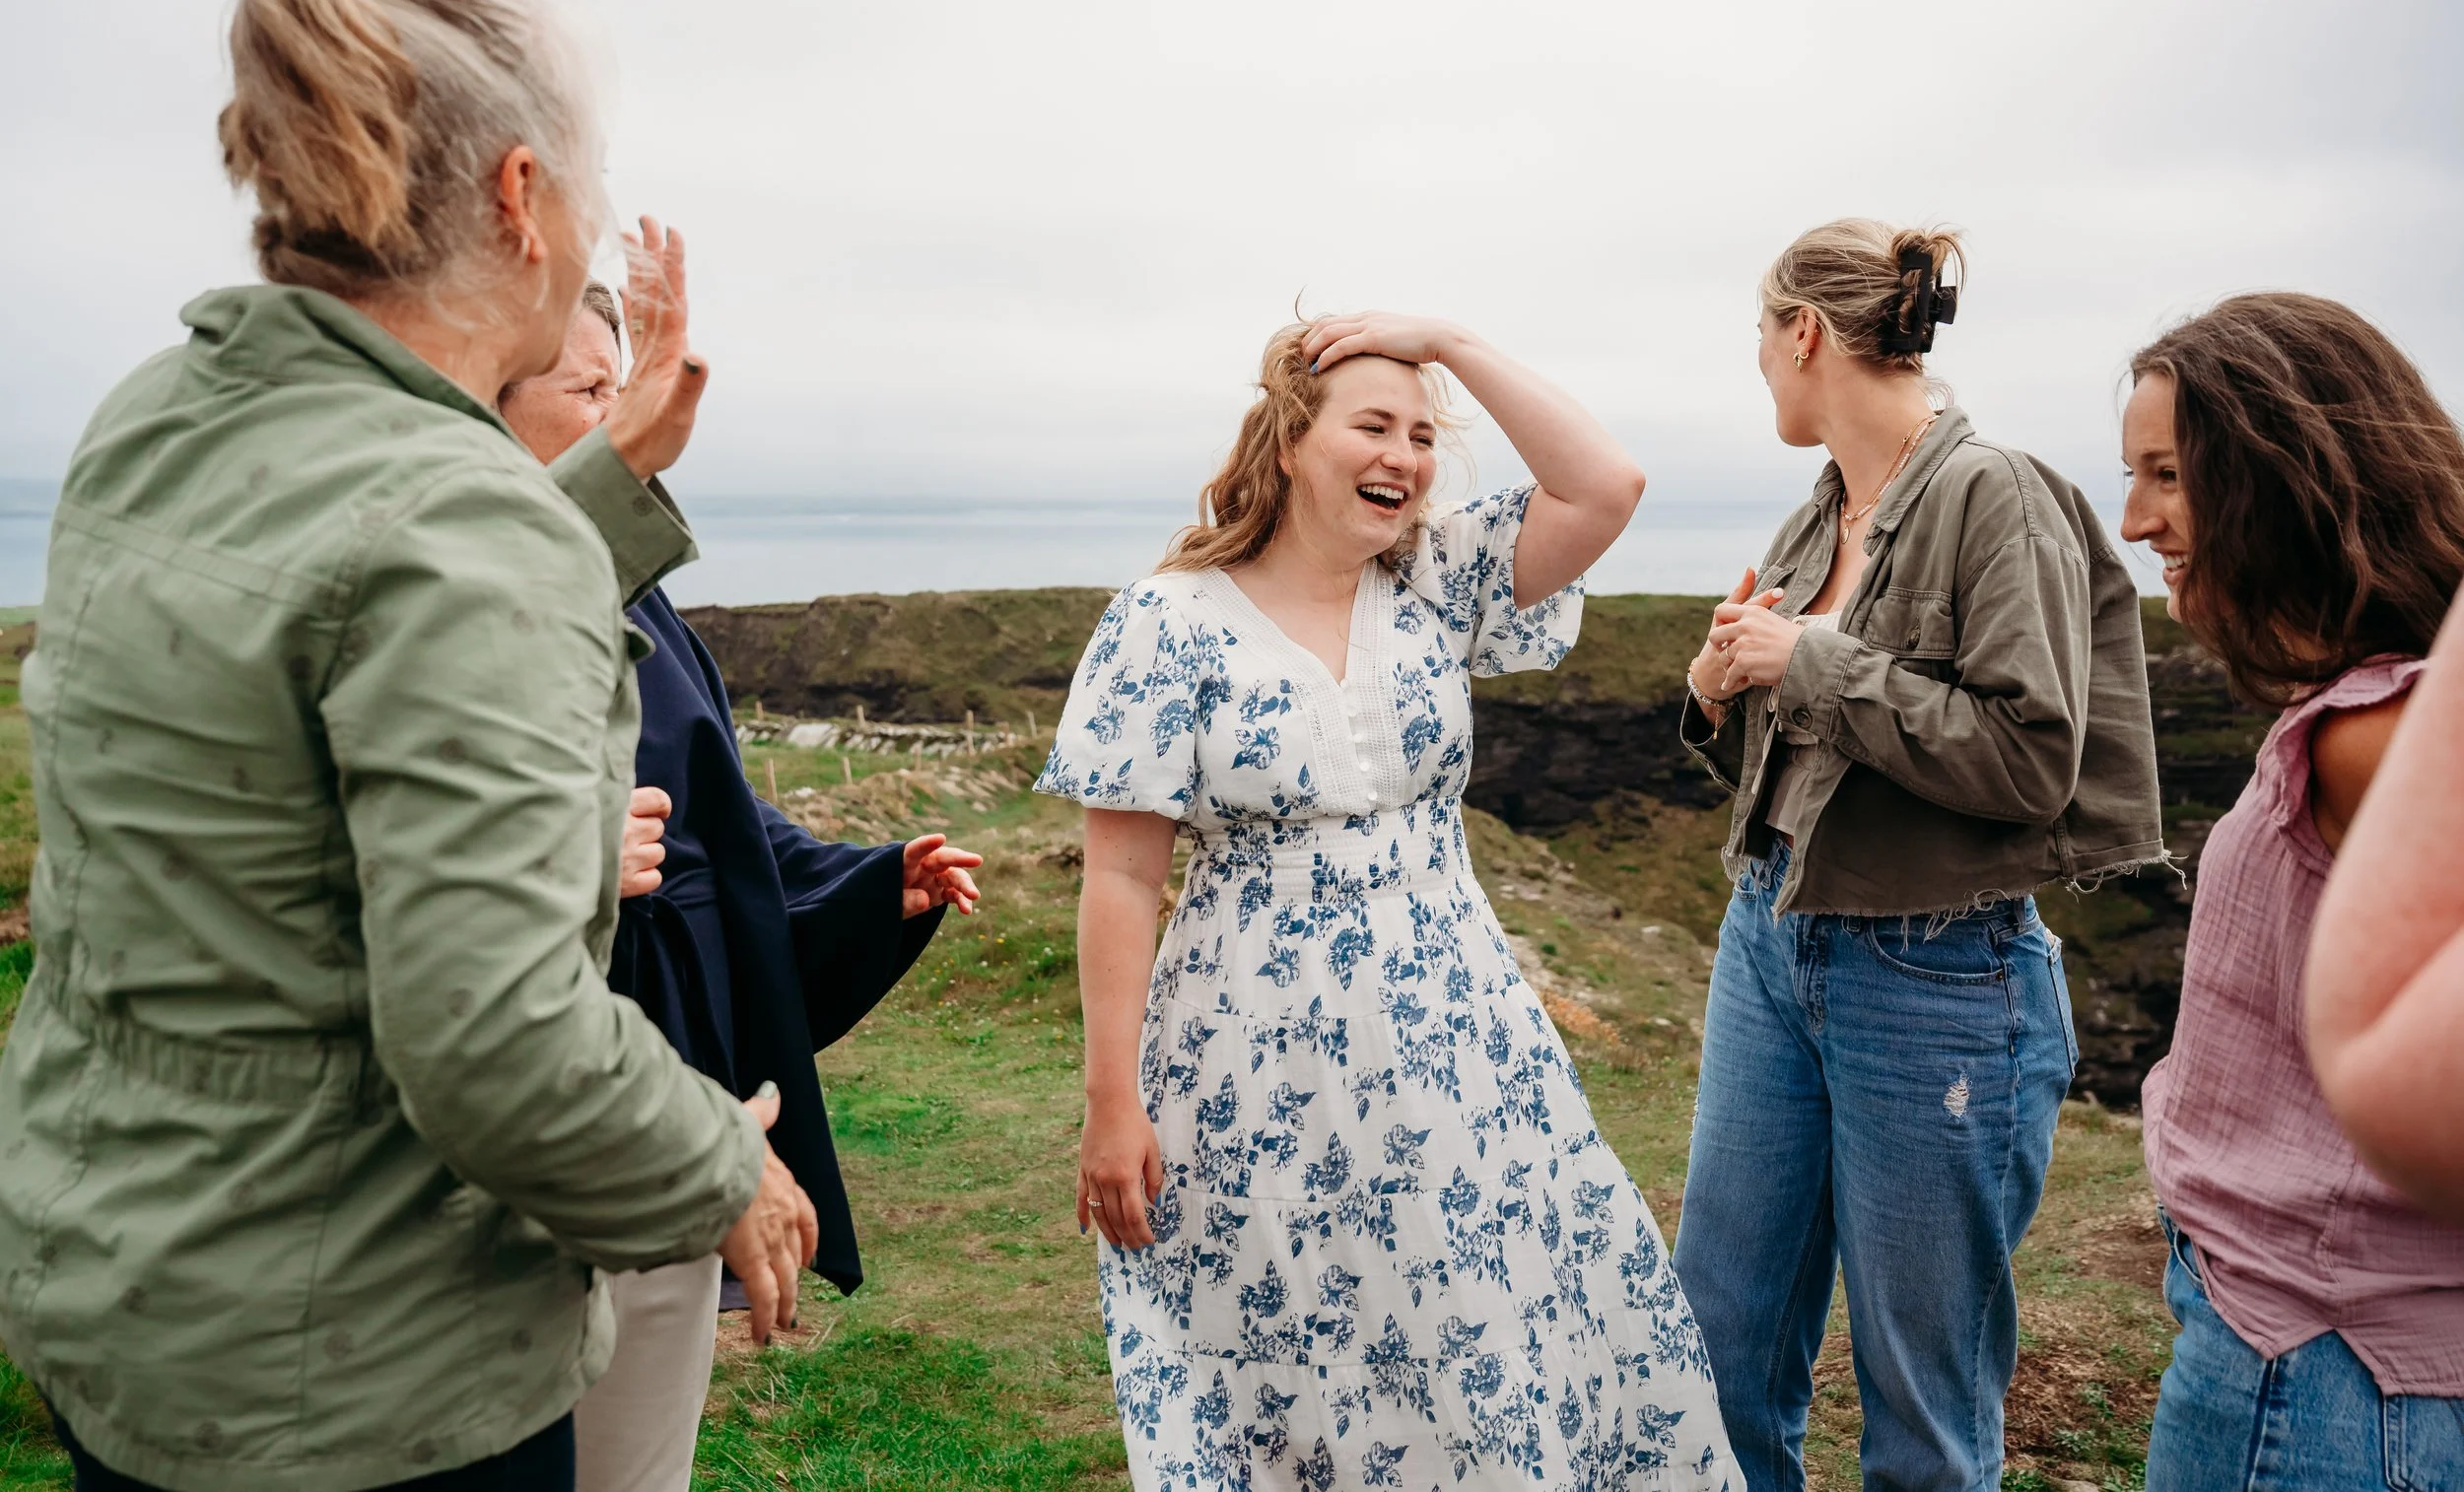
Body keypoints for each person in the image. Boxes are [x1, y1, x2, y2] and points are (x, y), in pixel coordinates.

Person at [0, 0, 817, 1492]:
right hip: (362, 1365)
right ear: (524, 196)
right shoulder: (462, 525)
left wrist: (606, 475)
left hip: (138, 1294)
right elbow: (497, 1041)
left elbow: (359, 601)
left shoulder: (156, 418)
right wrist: (726, 1157)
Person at [1038, 313, 1739, 1490]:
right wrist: (1113, 1101)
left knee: (1482, 1313)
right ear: (1288, 439)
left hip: (1460, 1035)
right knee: (1299, 1337)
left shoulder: (1433, 580)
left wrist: (1445, 342)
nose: (1406, 457)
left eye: (1423, 436)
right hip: (1251, 1059)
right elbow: (1120, 875)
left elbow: (1604, 484)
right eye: (1374, 425)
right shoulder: (1163, 622)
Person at [1674, 220, 2162, 1492]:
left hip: (1937, 974)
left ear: (1804, 335)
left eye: (1761, 343)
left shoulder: (1997, 493)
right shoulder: (1819, 510)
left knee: (1922, 1405)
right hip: (1769, 935)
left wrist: (1810, 661)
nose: (1763, 371)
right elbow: (1809, 739)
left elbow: (2024, 759)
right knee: (1718, 1346)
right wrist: (1716, 680)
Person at [496, 282, 984, 1492]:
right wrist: (558, 854)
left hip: (669, 1063)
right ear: (484, 400)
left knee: (632, 1446)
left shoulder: (643, 597)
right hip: (530, 1097)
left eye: (625, 384)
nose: (627, 416)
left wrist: (867, 884)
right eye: (592, 390)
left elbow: (722, 816)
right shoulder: (449, 600)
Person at [2120, 294, 2464, 1490]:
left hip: (2322, 1370)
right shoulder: (2374, 713)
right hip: (2280, 1325)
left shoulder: (2381, 738)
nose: (2133, 519)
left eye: (2167, 474)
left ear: (2279, 471)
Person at [2308, 599, 2464, 1225]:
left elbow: (2408, 1100)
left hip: (2325, 1284)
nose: (2132, 528)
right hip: (2237, 1251)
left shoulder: (2363, 732)